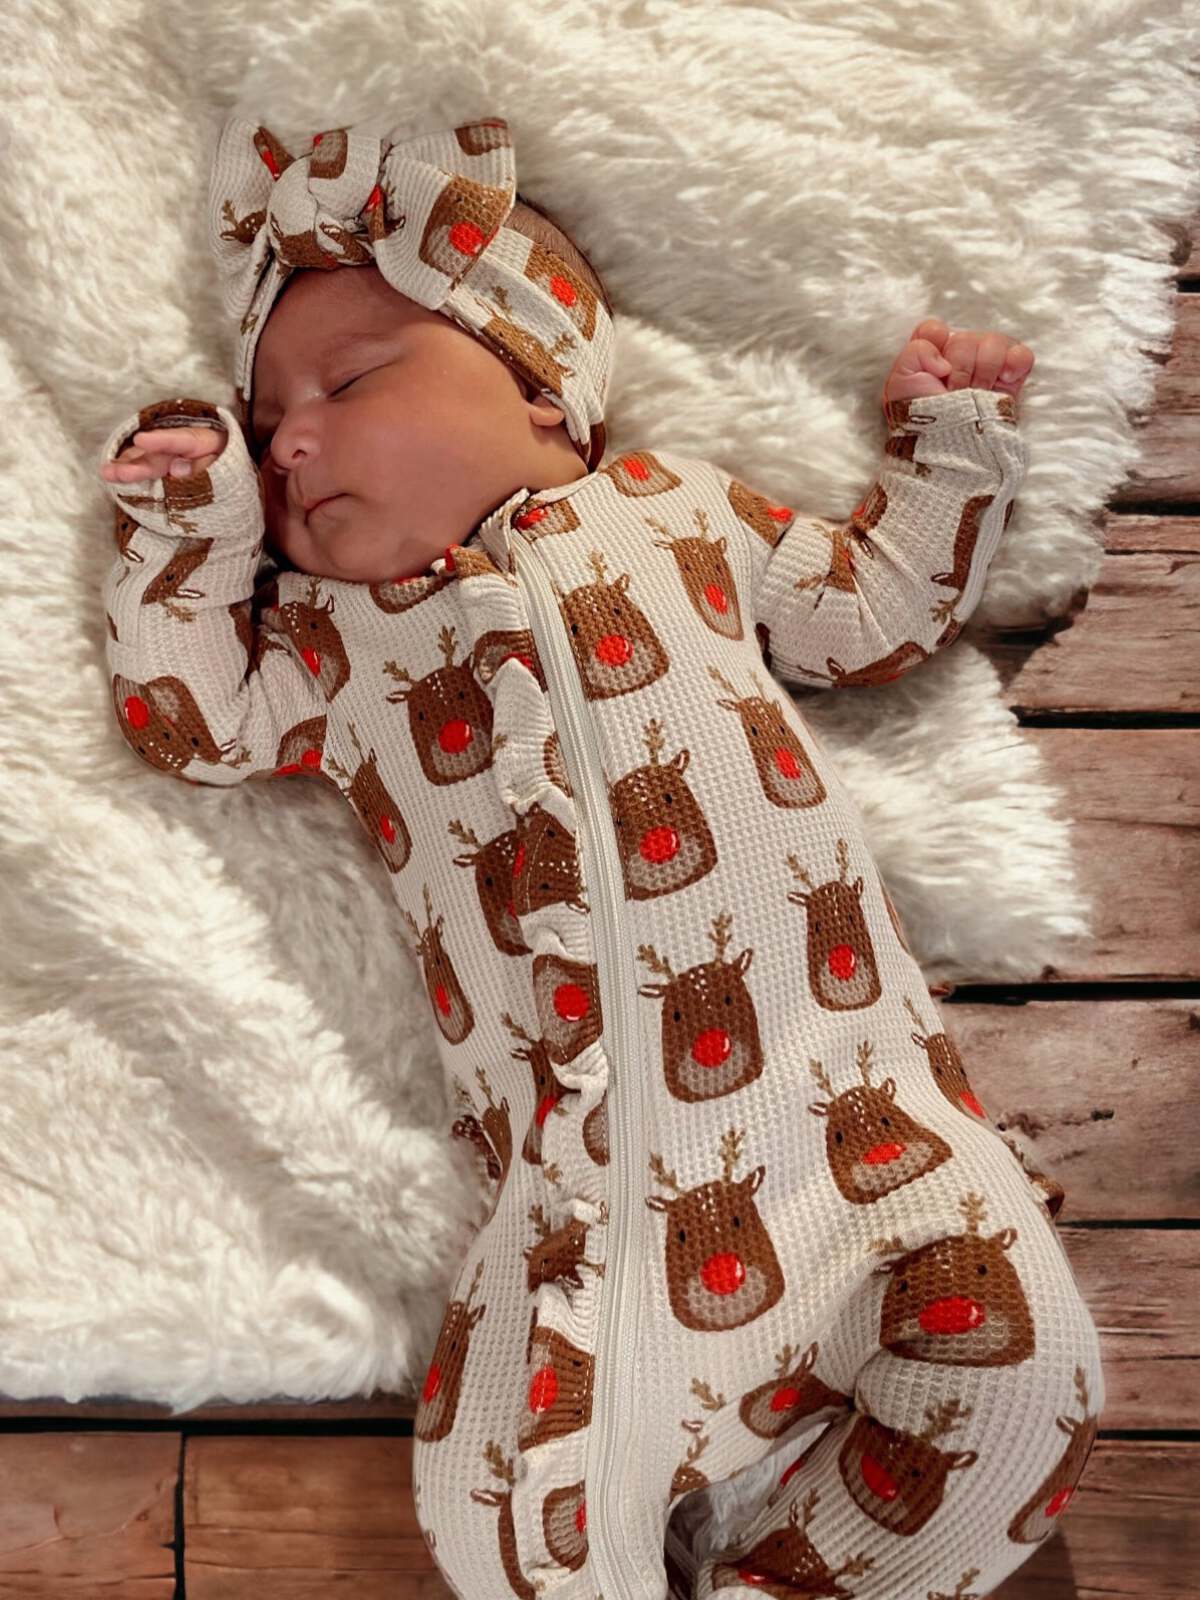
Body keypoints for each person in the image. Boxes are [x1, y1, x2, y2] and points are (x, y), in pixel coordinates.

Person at [96, 109, 1102, 1600]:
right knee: (500, 1515)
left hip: (863, 1139)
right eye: (263, 433)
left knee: (1035, 1377)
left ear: (549, 391)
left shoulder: (676, 511)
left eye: (350, 382)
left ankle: (796, 1575)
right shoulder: (330, 646)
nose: (290, 439)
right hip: (591, 1218)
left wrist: (948, 449)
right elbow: (191, 722)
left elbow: (874, 613)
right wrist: (189, 527)